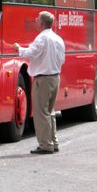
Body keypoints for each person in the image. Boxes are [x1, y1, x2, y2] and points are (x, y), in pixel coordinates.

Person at [13, 11, 65, 154]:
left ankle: (45, 145)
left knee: (41, 113)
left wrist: (18, 48)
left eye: (37, 19)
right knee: (50, 112)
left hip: (43, 79)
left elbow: (31, 53)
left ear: (42, 23)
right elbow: (62, 59)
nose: (35, 21)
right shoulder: (58, 39)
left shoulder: (42, 38)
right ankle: (53, 142)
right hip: (55, 77)